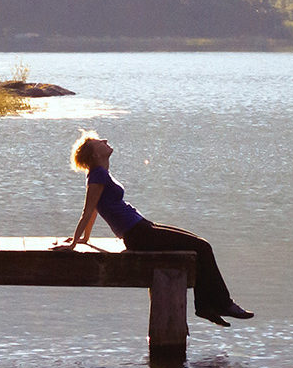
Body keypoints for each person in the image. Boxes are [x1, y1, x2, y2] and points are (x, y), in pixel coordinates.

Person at [54, 131, 254, 326]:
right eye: (99, 141)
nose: (104, 139)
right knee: (203, 247)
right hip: (138, 235)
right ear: (95, 154)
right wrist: (73, 243)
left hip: (142, 228)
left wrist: (85, 239)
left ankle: (206, 305)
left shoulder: (101, 173)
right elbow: (88, 211)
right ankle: (222, 304)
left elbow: (95, 209)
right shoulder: (97, 174)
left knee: (200, 246)